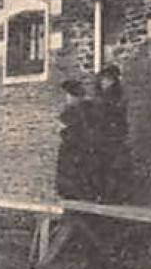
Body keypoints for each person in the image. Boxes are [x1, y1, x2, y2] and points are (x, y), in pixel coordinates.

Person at [91, 64, 129, 204]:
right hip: (100, 136)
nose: (106, 82)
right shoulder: (99, 97)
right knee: (100, 166)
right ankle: (100, 194)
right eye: (104, 79)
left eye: (109, 79)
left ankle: (111, 195)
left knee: (112, 167)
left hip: (113, 136)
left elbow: (120, 118)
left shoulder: (118, 98)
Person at [55, 80, 93, 200]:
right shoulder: (71, 110)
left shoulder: (80, 111)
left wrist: (65, 130)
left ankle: (74, 193)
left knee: (74, 169)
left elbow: (76, 129)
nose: (68, 98)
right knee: (67, 169)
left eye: (70, 95)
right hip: (70, 146)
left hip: (76, 146)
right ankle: (68, 192)